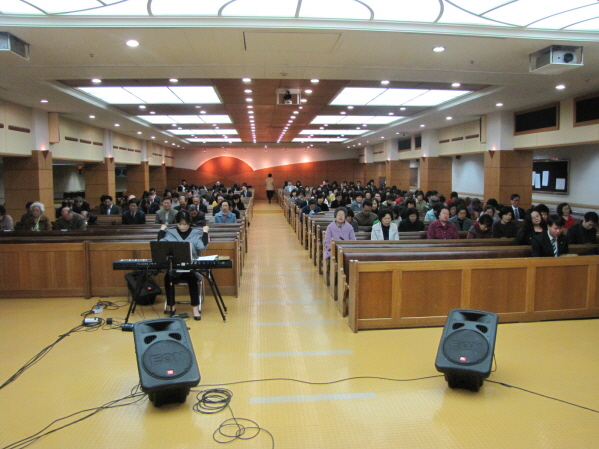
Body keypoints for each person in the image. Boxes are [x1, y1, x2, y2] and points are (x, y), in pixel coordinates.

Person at [157, 210, 209, 320]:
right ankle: (172, 306)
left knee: (192, 278)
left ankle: (195, 308)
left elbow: (202, 246)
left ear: (189, 223)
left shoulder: (195, 232)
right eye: (179, 224)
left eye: (185, 224)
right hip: (175, 267)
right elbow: (160, 244)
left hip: (190, 268)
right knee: (168, 278)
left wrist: (205, 233)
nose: (182, 227)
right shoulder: (171, 233)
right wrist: (161, 230)